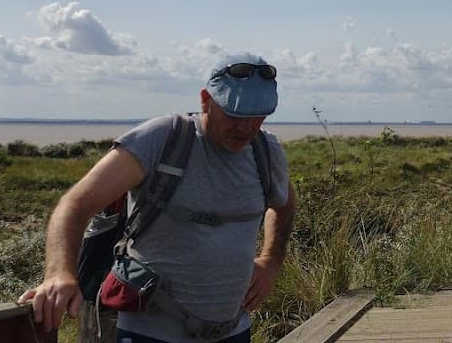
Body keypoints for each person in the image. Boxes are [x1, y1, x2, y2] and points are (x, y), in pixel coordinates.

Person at [20, 55, 297, 343]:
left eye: (258, 115)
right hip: (149, 333)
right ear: (206, 100)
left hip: (232, 332)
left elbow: (285, 205)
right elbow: (75, 204)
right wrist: (58, 274)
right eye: (234, 113)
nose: (246, 127)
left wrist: (270, 260)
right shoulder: (164, 138)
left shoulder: (266, 151)